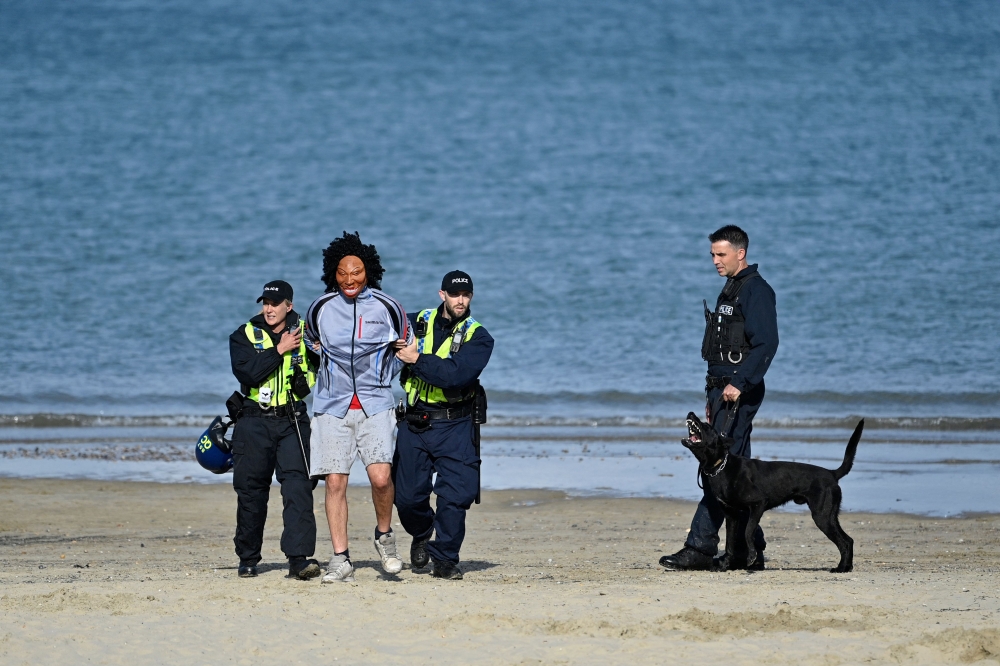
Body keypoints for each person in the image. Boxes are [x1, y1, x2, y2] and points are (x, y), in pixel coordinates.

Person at [660, 225, 779, 571]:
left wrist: (740, 383)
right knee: (737, 473)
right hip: (721, 389)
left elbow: (767, 344)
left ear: (740, 253)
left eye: (721, 254)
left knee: (719, 469)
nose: (714, 260)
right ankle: (749, 550)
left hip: (736, 391)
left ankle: (699, 547)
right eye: (712, 254)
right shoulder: (732, 288)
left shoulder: (757, 291)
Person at [304, 231, 411, 584]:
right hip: (332, 407)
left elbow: (407, 348)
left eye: (357, 272)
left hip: (376, 403)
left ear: (369, 271)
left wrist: (384, 377)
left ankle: (384, 537)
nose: (350, 279)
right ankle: (340, 558)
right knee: (335, 482)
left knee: (381, 478)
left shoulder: (388, 306)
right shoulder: (319, 308)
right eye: (342, 273)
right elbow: (310, 344)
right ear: (332, 274)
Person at [393, 270, 494, 580]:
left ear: (471, 296)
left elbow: (454, 375)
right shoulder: (416, 321)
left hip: (457, 425)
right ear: (442, 295)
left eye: (465, 295)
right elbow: (377, 323)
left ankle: (446, 559)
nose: (460, 300)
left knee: (455, 497)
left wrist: (415, 359)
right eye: (454, 294)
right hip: (415, 423)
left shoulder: (479, 337)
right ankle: (423, 532)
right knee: (407, 498)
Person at [228, 280, 320, 580]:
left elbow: (329, 368)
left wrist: (321, 351)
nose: (268, 308)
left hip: (293, 419)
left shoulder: (309, 332)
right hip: (253, 420)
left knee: (299, 489)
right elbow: (247, 372)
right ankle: (248, 558)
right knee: (251, 491)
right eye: (265, 303)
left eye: (274, 303)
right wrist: (279, 349)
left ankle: (298, 559)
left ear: (288, 306)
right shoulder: (244, 335)